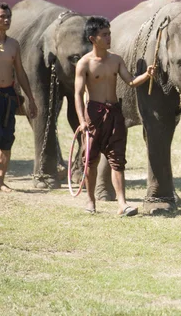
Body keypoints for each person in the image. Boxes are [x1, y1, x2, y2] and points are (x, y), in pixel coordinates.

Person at [74, 16, 154, 216]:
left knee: (117, 159)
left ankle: (122, 203)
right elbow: (77, 94)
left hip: (115, 113)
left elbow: (131, 82)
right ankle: (90, 200)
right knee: (90, 161)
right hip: (93, 114)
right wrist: (82, 121)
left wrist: (147, 75)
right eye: (104, 35)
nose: (109, 38)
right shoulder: (84, 64)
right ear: (93, 38)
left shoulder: (116, 59)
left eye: (109, 33)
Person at [0, 2, 38, 192]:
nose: (7, 19)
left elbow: (20, 72)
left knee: (7, 138)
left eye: (8, 16)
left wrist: (31, 99)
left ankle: (1, 180)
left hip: (9, 95)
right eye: (2, 16)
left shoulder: (14, 44)